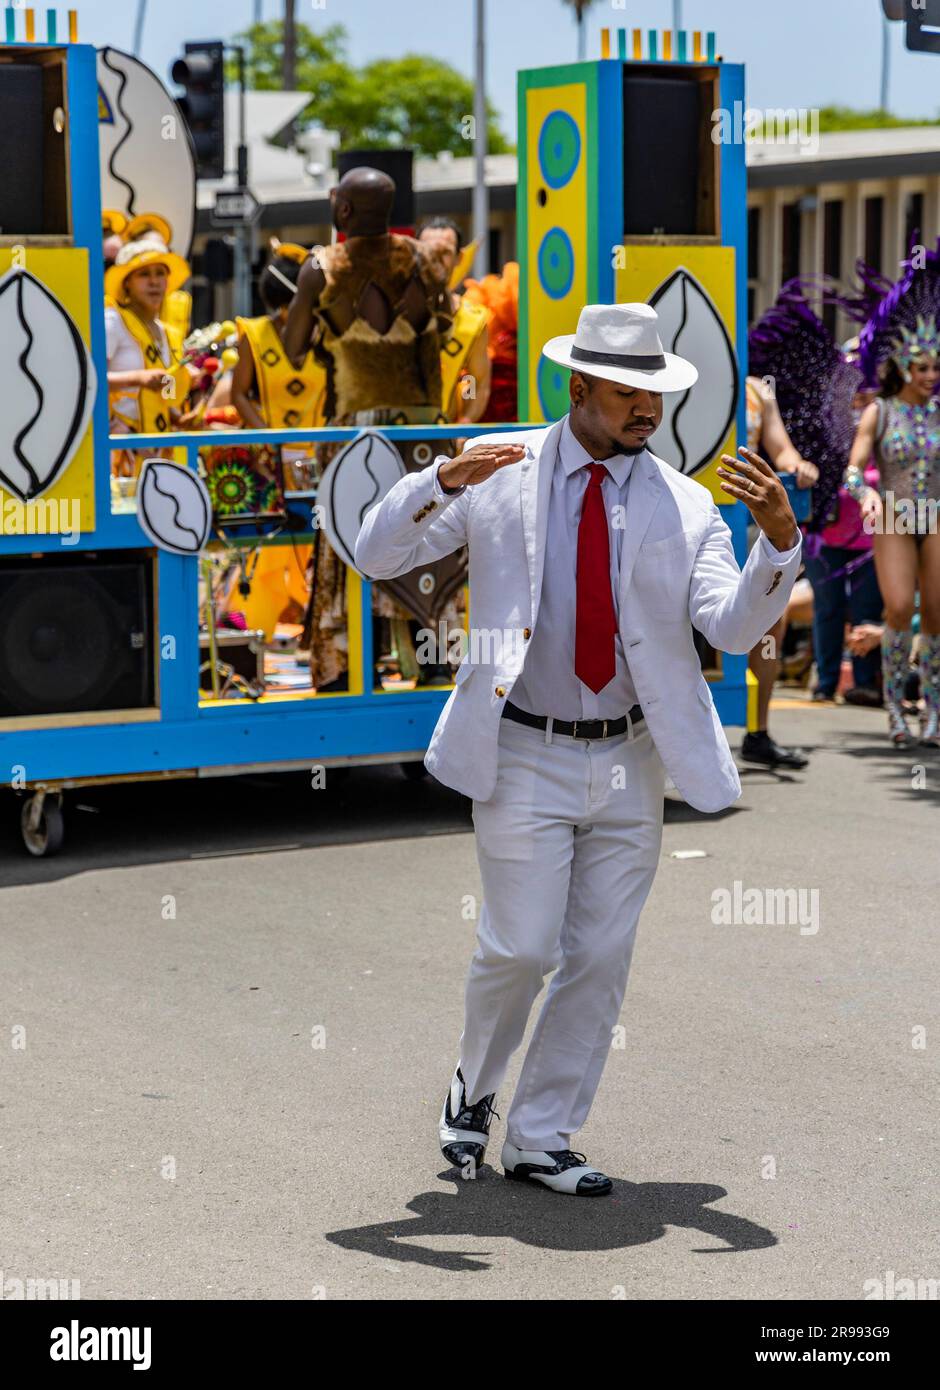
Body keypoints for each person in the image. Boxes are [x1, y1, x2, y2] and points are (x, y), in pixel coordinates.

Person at [355, 302, 802, 1196]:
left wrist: (779, 546)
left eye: (657, 392)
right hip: (522, 746)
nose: (648, 408)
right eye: (629, 390)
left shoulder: (686, 504)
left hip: (631, 757)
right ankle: (472, 1093)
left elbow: (731, 621)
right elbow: (374, 554)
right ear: (579, 386)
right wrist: (440, 479)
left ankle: (542, 1135)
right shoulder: (501, 470)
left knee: (599, 955)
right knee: (520, 948)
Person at [283, 167, 454, 692]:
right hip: (421, 432)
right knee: (425, 534)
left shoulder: (321, 267)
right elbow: (444, 325)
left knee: (351, 540)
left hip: (356, 433)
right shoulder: (424, 261)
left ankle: (350, 668)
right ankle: (430, 663)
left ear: (344, 212)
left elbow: (292, 350)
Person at [845, 237, 940, 747]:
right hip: (897, 518)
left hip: (938, 516)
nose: (931, 377)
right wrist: (867, 495)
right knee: (900, 608)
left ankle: (934, 712)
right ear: (903, 366)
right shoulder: (879, 412)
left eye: (936, 369)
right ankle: (896, 711)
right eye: (923, 368)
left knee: (939, 615)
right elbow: (853, 469)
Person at [739, 375, 817, 767]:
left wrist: (799, 467)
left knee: (772, 619)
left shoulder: (758, 390)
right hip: (688, 513)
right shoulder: (678, 378)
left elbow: (782, 450)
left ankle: (758, 731)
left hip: (744, 519)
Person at [104, 236, 195, 474]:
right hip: (119, 451)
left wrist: (178, 417)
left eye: (160, 274)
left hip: (160, 450)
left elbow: (162, 395)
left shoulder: (167, 332)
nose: (154, 282)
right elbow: (89, 381)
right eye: (144, 275)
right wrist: (138, 378)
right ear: (127, 284)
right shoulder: (112, 321)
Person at [416, 217, 490, 424]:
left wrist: (464, 422)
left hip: (440, 438)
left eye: (445, 253)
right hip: (388, 436)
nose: (435, 259)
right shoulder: (390, 309)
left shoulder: (472, 320)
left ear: (459, 258)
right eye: (427, 251)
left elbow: (475, 380)